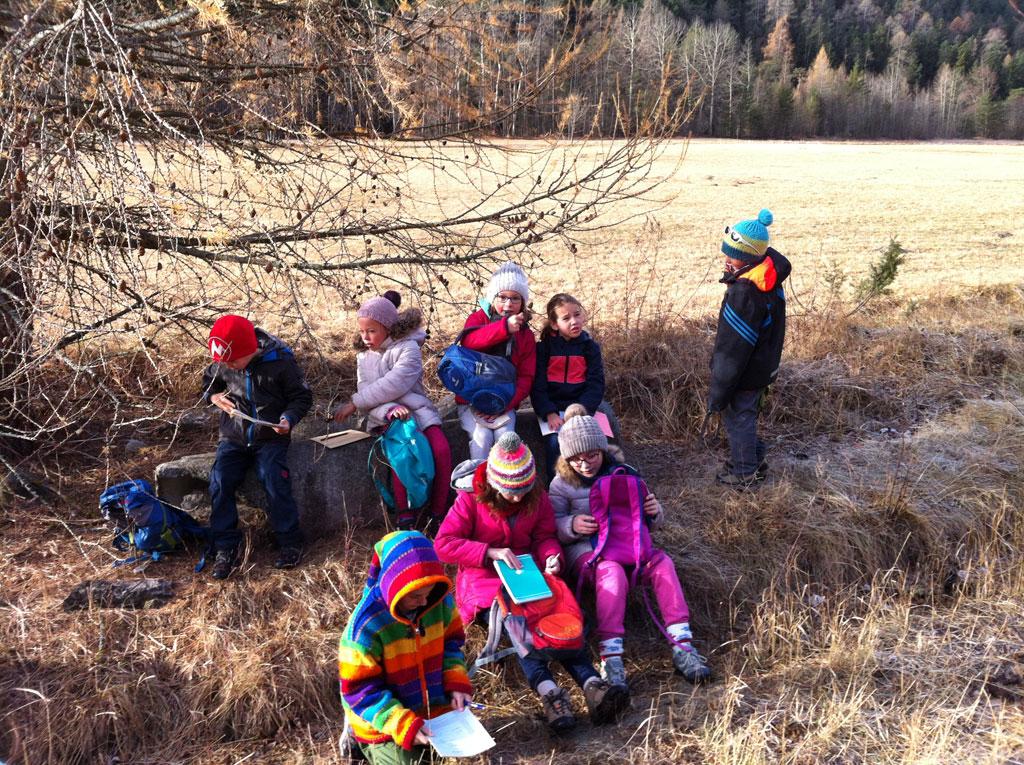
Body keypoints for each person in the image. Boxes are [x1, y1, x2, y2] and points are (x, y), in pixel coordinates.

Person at [434, 432, 628, 733]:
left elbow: (546, 536)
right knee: (520, 625)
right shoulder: (470, 500)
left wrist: (552, 557)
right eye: (512, 492)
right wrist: (489, 552)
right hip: (485, 583)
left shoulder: (535, 497)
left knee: (561, 618)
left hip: (530, 575)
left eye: (524, 489)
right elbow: (443, 544)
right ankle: (551, 695)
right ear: (496, 484)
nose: (518, 497)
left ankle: (593, 686)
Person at [549, 406, 712, 686]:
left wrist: (654, 511)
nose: (586, 464)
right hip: (587, 551)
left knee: (662, 565)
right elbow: (551, 526)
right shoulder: (561, 484)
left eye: (592, 456)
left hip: (628, 545)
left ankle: (683, 646)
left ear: (603, 450)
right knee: (610, 572)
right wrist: (571, 525)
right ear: (566, 458)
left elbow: (649, 521)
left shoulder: (625, 472)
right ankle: (611, 657)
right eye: (577, 459)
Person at [338, 530, 473, 764]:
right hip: (384, 723)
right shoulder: (364, 627)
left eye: (428, 594)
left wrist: (456, 683)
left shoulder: (439, 603)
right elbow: (359, 690)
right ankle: (359, 743)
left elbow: (452, 645)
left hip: (433, 711)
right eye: (414, 596)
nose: (423, 602)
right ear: (392, 587)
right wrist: (401, 723)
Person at [201, 314, 312, 579]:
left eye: (233, 361)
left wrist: (288, 418)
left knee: (274, 479)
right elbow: (209, 384)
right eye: (224, 362)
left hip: (270, 437)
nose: (229, 366)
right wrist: (214, 397)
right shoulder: (225, 362)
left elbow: (301, 397)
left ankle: (289, 541)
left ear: (251, 348)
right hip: (234, 437)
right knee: (220, 480)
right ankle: (226, 546)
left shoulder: (281, 363)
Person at [332, 291, 453, 528]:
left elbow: (394, 383)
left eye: (372, 331)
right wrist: (389, 411)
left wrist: (355, 402)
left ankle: (438, 512)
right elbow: (369, 393)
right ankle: (405, 515)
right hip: (389, 417)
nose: (365, 337)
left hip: (419, 411)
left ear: (388, 327)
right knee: (402, 457)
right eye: (362, 331)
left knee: (441, 451)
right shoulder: (364, 357)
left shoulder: (408, 348)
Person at [708, 209, 791, 487]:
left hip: (745, 371)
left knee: (738, 418)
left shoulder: (745, 292)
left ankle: (744, 473)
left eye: (731, 255)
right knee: (746, 414)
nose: (726, 260)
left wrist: (720, 387)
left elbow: (733, 348)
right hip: (763, 365)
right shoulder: (767, 278)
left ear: (746, 257)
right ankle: (753, 459)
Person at [455, 261, 537, 461]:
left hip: (504, 403)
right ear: (493, 297)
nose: (508, 304)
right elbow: (469, 343)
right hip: (471, 400)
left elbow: (526, 376)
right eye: (502, 297)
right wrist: (503, 329)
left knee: (506, 439)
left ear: (522, 302)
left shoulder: (526, 334)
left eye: (515, 298)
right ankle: (478, 490)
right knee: (481, 438)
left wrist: (505, 404)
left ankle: (506, 488)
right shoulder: (477, 319)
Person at [531, 293, 607, 478]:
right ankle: (556, 488)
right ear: (555, 324)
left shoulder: (590, 348)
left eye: (577, 314)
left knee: (596, 442)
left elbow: (596, 384)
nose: (574, 321)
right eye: (566, 318)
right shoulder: (544, 349)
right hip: (554, 412)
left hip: (582, 408)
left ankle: (599, 487)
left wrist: (582, 409)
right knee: (555, 444)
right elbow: (537, 385)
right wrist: (548, 412)